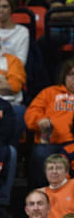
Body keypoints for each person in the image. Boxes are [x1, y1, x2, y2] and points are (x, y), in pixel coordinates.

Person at [24, 58, 74, 187]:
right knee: (40, 154)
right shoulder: (49, 93)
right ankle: (40, 195)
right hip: (50, 143)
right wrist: (39, 120)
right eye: (71, 74)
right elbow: (31, 113)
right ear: (64, 76)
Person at [0, 0, 29, 66]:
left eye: (5, 7)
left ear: (12, 9)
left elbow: (21, 62)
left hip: (13, 71)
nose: (1, 10)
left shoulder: (22, 31)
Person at [41, 154, 74, 218]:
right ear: (45, 172)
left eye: (59, 168)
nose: (54, 172)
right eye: (50, 168)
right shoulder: (40, 193)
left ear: (67, 172)